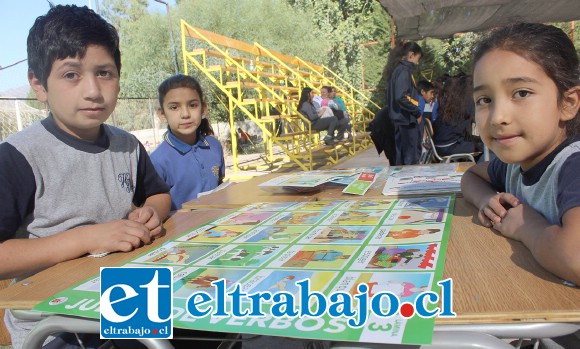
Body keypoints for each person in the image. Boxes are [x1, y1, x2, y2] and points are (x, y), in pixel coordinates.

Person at [0, 5, 171, 349]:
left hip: (126, 299)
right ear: (39, 84)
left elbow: (159, 194)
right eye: (71, 75)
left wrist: (152, 212)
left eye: (104, 72)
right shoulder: (17, 157)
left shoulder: (128, 146)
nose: (93, 90)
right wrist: (85, 239)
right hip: (54, 325)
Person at [462, 22, 580, 302]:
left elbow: (575, 258)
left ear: (568, 103)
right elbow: (470, 177)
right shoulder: (515, 166)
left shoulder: (572, 166)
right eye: (485, 99)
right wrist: (487, 201)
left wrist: (527, 227)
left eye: (521, 93)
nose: (497, 117)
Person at [150, 74, 225, 211]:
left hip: (219, 227)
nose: (185, 114)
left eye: (192, 105)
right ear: (162, 114)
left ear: (203, 109)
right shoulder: (157, 161)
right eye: (174, 107)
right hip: (182, 230)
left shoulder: (214, 146)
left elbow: (220, 185)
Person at [384, 41, 424, 165]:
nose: (418, 63)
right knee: (410, 159)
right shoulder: (403, 71)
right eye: (418, 58)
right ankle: (409, 183)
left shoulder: (398, 70)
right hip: (406, 120)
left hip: (401, 120)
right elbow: (401, 96)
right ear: (411, 55)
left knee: (402, 158)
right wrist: (416, 113)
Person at [432, 74, 483, 158]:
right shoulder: (465, 103)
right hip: (451, 146)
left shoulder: (448, 103)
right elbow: (475, 118)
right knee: (485, 147)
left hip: (438, 145)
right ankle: (482, 169)